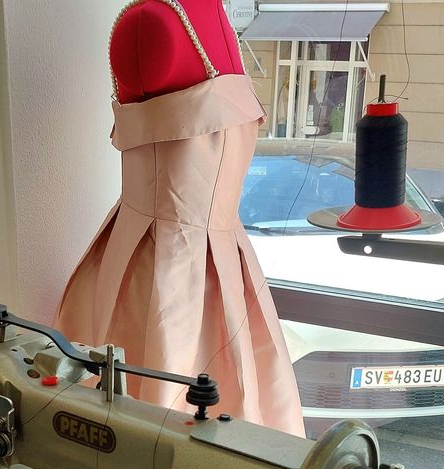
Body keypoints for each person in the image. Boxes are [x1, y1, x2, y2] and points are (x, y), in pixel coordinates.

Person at [54, 0, 305, 436]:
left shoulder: (217, 16)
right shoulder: (149, 23)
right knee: (157, 426)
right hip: (164, 270)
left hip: (225, 258)